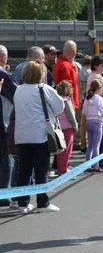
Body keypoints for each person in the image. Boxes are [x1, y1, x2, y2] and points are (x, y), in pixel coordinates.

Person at [13, 61, 64, 213]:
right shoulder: (44, 88)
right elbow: (60, 107)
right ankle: (43, 202)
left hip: (22, 134)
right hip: (40, 134)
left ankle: (22, 202)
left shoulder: (18, 90)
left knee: (24, 169)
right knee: (41, 170)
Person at [0, 58, 17, 207]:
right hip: (3, 124)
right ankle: (4, 195)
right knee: (6, 160)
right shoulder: (3, 74)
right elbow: (15, 94)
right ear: (3, 58)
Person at [82, 79, 103, 173]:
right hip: (97, 123)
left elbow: (84, 112)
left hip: (89, 122)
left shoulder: (87, 98)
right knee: (96, 146)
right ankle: (96, 166)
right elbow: (102, 111)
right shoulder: (99, 99)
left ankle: (87, 165)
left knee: (90, 145)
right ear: (99, 89)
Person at [56, 81, 78, 176]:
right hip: (67, 127)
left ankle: (60, 167)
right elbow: (70, 116)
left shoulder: (57, 100)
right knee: (67, 149)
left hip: (59, 127)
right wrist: (75, 126)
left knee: (60, 149)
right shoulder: (67, 101)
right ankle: (63, 169)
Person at [53, 41, 80, 110]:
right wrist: (72, 106)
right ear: (74, 50)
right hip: (68, 104)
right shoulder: (66, 66)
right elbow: (67, 88)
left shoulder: (59, 63)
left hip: (61, 102)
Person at [78, 55, 92, 153]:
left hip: (80, 97)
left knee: (82, 123)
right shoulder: (90, 73)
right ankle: (87, 143)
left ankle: (82, 143)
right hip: (87, 98)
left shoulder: (80, 70)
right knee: (88, 121)